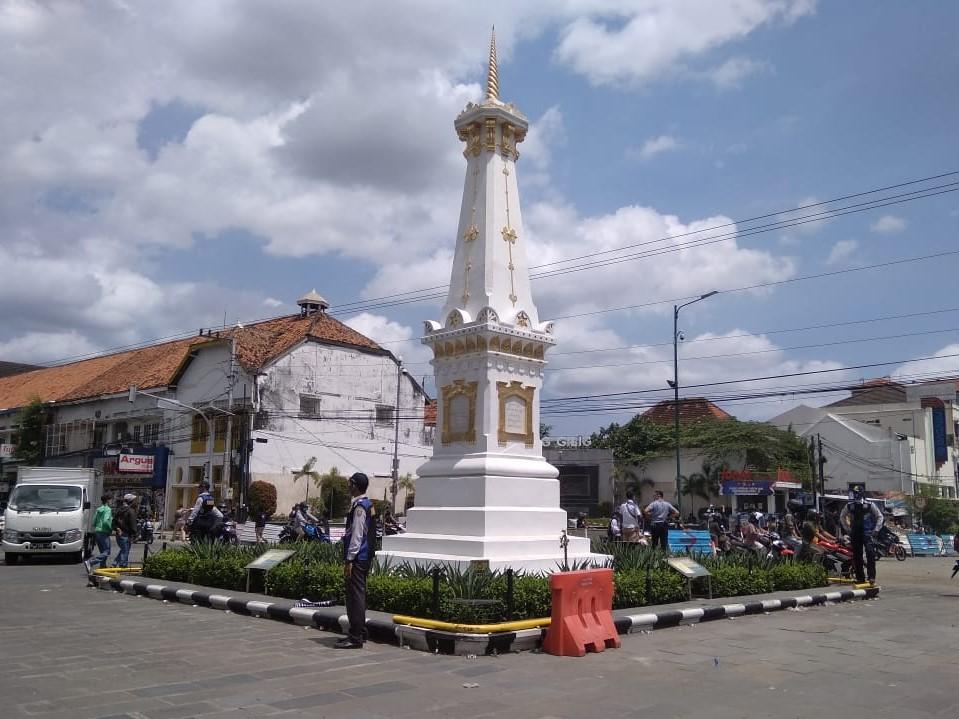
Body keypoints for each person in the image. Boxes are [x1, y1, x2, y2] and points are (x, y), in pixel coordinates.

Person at [336, 472, 376, 649]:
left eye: (350, 483)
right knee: (356, 594)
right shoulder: (365, 504)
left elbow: (357, 536)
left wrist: (350, 559)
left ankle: (355, 637)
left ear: (356, 486)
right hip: (363, 556)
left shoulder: (360, 506)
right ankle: (360, 632)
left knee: (355, 596)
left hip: (358, 557)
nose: (348, 486)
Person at [840, 486, 883, 585]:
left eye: (858, 493)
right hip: (855, 533)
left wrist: (876, 529)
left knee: (870, 554)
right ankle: (860, 578)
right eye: (855, 493)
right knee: (857, 556)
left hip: (867, 533)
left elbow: (879, 516)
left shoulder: (869, 504)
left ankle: (871, 577)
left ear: (863, 493)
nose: (857, 495)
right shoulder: (850, 505)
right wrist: (848, 529)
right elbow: (842, 516)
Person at [84, 494, 113, 573]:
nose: (111, 501)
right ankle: (91, 562)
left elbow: (93, 522)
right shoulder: (108, 509)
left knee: (103, 551)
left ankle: (102, 567)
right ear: (107, 501)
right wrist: (111, 528)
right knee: (107, 551)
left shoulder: (98, 509)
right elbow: (106, 521)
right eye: (111, 500)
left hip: (97, 531)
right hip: (104, 531)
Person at [112, 494, 138, 568]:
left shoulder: (119, 509)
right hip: (126, 534)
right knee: (125, 550)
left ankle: (115, 563)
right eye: (134, 501)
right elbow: (133, 523)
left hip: (118, 533)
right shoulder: (131, 511)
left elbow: (113, 522)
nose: (135, 502)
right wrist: (135, 534)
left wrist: (117, 529)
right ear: (131, 501)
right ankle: (122, 565)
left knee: (124, 549)